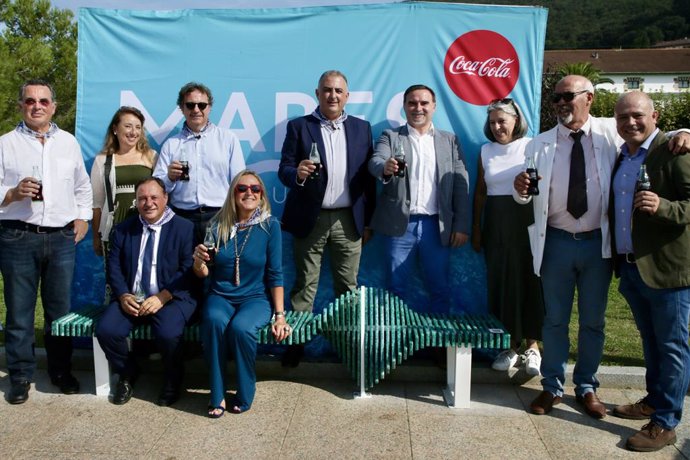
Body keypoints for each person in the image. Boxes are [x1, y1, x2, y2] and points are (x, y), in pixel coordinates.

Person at [513, 75, 690, 419]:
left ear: (589, 98)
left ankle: (586, 387)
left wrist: (688, 133)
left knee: (593, 321)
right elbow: (528, 196)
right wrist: (521, 190)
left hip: (598, 243)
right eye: (555, 98)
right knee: (554, 321)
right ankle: (551, 387)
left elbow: (652, 130)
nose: (561, 103)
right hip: (556, 242)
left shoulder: (614, 132)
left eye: (567, 96)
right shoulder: (538, 144)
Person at [0, 79, 92, 404]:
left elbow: (82, 186)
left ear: (53, 106)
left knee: (59, 312)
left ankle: (60, 371)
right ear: (20, 106)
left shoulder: (68, 143)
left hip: (60, 237)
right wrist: (11, 193)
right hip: (17, 236)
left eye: (43, 101)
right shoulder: (5, 144)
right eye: (30, 101)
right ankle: (21, 376)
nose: (36, 106)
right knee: (20, 313)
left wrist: (82, 218)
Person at [609, 91, 690, 452]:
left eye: (637, 115)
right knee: (651, 341)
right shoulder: (623, 156)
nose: (630, 122)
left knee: (673, 345)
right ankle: (654, 400)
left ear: (655, 116)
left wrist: (665, 207)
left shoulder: (675, 151)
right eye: (623, 117)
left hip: (667, 269)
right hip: (631, 266)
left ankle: (666, 421)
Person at [278, 70, 375, 367]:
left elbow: (370, 182)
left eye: (338, 91)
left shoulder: (362, 128)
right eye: (327, 90)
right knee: (305, 284)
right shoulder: (299, 126)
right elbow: (284, 169)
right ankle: (296, 343)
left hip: (349, 219)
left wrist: (368, 221)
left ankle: (348, 346)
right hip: (311, 217)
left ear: (347, 96)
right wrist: (298, 174)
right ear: (317, 93)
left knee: (347, 286)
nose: (332, 95)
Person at [193, 170, 290, 417]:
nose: (249, 193)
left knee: (241, 328)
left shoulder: (270, 227)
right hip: (221, 295)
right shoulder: (217, 225)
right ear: (233, 193)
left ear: (262, 195)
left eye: (255, 189)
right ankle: (217, 396)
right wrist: (198, 262)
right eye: (243, 188)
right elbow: (204, 272)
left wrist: (280, 315)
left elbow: (275, 274)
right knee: (214, 321)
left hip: (255, 298)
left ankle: (245, 392)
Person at [368, 84, 470, 314]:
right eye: (412, 103)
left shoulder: (450, 141)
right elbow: (375, 161)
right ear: (404, 107)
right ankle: (397, 347)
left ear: (434, 106)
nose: (418, 108)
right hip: (399, 226)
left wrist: (462, 225)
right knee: (395, 290)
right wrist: (386, 166)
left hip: (437, 226)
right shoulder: (390, 136)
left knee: (440, 288)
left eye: (424, 103)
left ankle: (436, 346)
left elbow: (461, 185)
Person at [96, 177, 195, 406]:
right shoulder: (124, 229)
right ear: (136, 202)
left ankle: (172, 380)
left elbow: (188, 269)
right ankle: (128, 372)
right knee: (107, 331)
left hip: (171, 298)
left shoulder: (184, 228)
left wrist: (164, 295)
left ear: (165, 199)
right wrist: (122, 295)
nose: (148, 203)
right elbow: (114, 266)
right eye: (142, 199)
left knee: (169, 334)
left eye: (154, 198)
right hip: (131, 298)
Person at [471, 99, 543, 375]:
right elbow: (480, 192)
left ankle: (533, 347)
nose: (498, 126)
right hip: (496, 223)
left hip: (527, 222)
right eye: (492, 122)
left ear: (516, 121)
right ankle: (510, 346)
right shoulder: (485, 151)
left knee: (530, 280)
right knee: (501, 283)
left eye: (502, 121)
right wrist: (477, 227)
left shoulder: (532, 146)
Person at [153, 82, 246, 244]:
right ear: (182, 109)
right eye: (190, 105)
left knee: (221, 268)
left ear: (209, 108)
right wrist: (169, 178)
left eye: (201, 105)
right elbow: (158, 190)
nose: (196, 110)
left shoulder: (228, 139)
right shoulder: (171, 144)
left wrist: (241, 217)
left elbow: (239, 182)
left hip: (220, 217)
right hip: (182, 218)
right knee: (184, 268)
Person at [90, 106, 157, 257]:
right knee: (116, 278)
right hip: (115, 229)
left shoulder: (152, 157)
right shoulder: (102, 161)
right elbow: (97, 205)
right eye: (128, 126)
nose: (133, 132)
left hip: (146, 227)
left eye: (138, 127)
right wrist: (96, 236)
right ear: (115, 129)